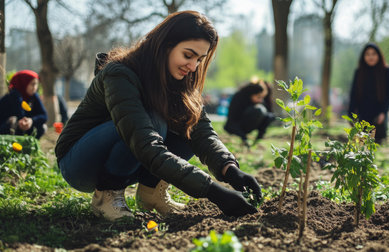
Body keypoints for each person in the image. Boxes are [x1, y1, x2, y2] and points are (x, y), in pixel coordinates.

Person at [55, 11, 261, 221]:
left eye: (199, 59)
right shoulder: (119, 74)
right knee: (153, 123)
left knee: (188, 120)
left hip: (133, 149)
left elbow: (203, 132)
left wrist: (229, 168)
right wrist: (214, 192)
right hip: (79, 163)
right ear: (165, 45)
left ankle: (151, 193)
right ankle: (106, 195)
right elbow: (146, 144)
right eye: (188, 55)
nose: (193, 66)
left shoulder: (178, 79)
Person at [348, 43, 389, 143]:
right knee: (361, 143)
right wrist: (350, 114)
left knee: (377, 143)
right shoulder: (359, 72)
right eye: (367, 54)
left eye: (373, 54)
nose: (370, 57)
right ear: (363, 57)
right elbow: (353, 94)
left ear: (378, 55)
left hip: (379, 115)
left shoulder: (386, 71)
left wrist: (383, 112)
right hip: (363, 113)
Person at [224, 80, 275, 148]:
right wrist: (243, 137)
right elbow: (231, 122)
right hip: (235, 126)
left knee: (269, 116)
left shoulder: (255, 102)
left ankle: (258, 140)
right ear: (251, 94)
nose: (260, 100)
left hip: (247, 125)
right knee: (259, 110)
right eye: (258, 97)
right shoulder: (239, 99)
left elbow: (268, 114)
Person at [0, 70, 48, 139]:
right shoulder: (14, 95)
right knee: (13, 121)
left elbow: (44, 115)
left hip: (25, 126)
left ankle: (29, 144)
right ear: (24, 83)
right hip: (7, 130)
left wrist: (32, 120)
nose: (35, 87)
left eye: (36, 84)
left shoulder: (34, 96)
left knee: (42, 126)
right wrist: (26, 121)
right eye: (32, 84)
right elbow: (20, 115)